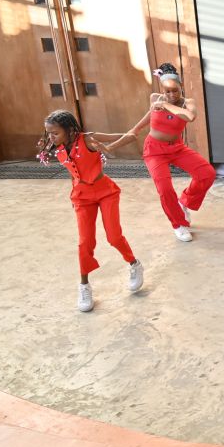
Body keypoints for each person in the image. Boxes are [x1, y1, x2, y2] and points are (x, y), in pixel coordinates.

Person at [38, 110, 143, 312]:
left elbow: (127, 136)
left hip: (105, 192)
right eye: (49, 133)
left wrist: (110, 146)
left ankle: (134, 264)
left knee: (114, 236)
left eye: (55, 133)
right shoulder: (58, 146)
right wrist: (73, 194)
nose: (51, 137)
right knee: (85, 242)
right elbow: (72, 171)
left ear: (69, 130)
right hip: (81, 196)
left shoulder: (87, 139)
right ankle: (84, 286)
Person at [103, 63, 216, 242]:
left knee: (207, 173)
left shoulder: (188, 103)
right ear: (162, 89)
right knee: (165, 189)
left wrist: (166, 105)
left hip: (177, 148)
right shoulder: (155, 98)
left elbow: (190, 116)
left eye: (175, 91)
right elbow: (143, 122)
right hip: (154, 150)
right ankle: (178, 225)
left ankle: (184, 201)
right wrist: (113, 145)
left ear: (181, 87)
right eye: (167, 91)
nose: (171, 95)